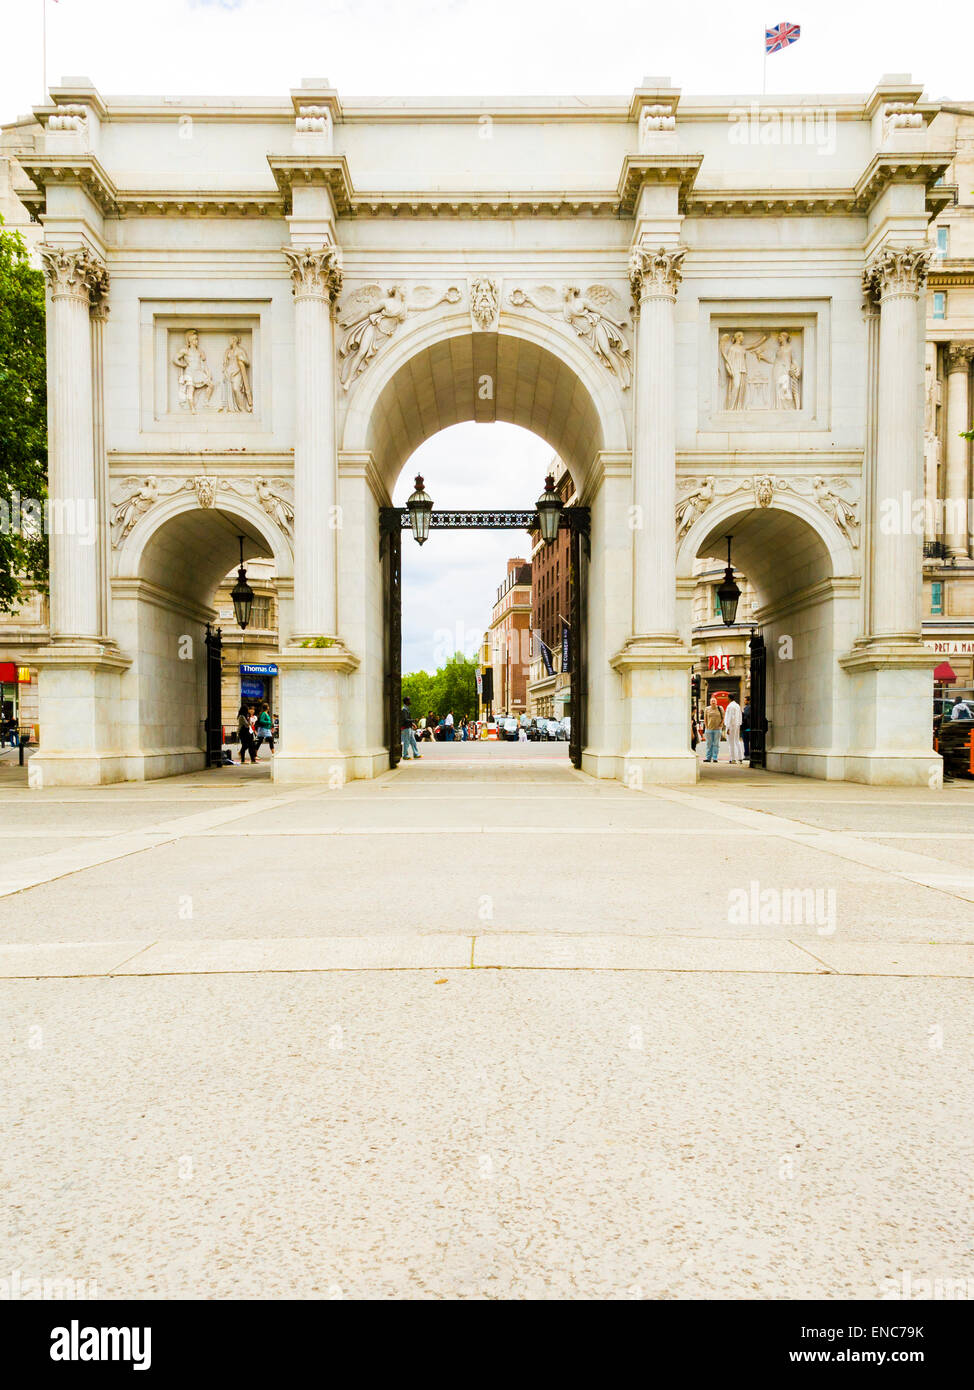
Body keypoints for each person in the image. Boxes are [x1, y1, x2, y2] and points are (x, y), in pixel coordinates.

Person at [400, 695, 421, 760]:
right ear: (406, 701)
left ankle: (416, 754)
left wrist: (412, 724)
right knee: (407, 741)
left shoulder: (406, 709)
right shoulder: (404, 709)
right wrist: (414, 720)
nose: (410, 701)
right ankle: (405, 755)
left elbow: (407, 719)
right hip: (406, 728)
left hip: (409, 727)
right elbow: (405, 719)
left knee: (413, 741)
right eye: (409, 700)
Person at [724, 696, 744, 764]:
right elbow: (740, 716)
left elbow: (730, 717)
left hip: (731, 726)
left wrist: (728, 727)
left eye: (727, 698)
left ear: (729, 698)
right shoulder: (737, 705)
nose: (726, 699)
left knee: (731, 743)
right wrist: (739, 724)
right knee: (737, 741)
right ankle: (740, 757)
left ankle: (733, 758)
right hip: (737, 725)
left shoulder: (730, 706)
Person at [703, 697, 723, 763]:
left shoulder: (720, 708)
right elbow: (705, 719)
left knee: (716, 744)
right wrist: (706, 726)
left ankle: (715, 758)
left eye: (714, 701)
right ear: (710, 702)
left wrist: (721, 725)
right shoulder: (707, 709)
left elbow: (723, 717)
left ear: (716, 702)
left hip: (717, 729)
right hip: (709, 729)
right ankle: (708, 758)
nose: (713, 702)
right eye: (712, 701)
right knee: (709, 744)